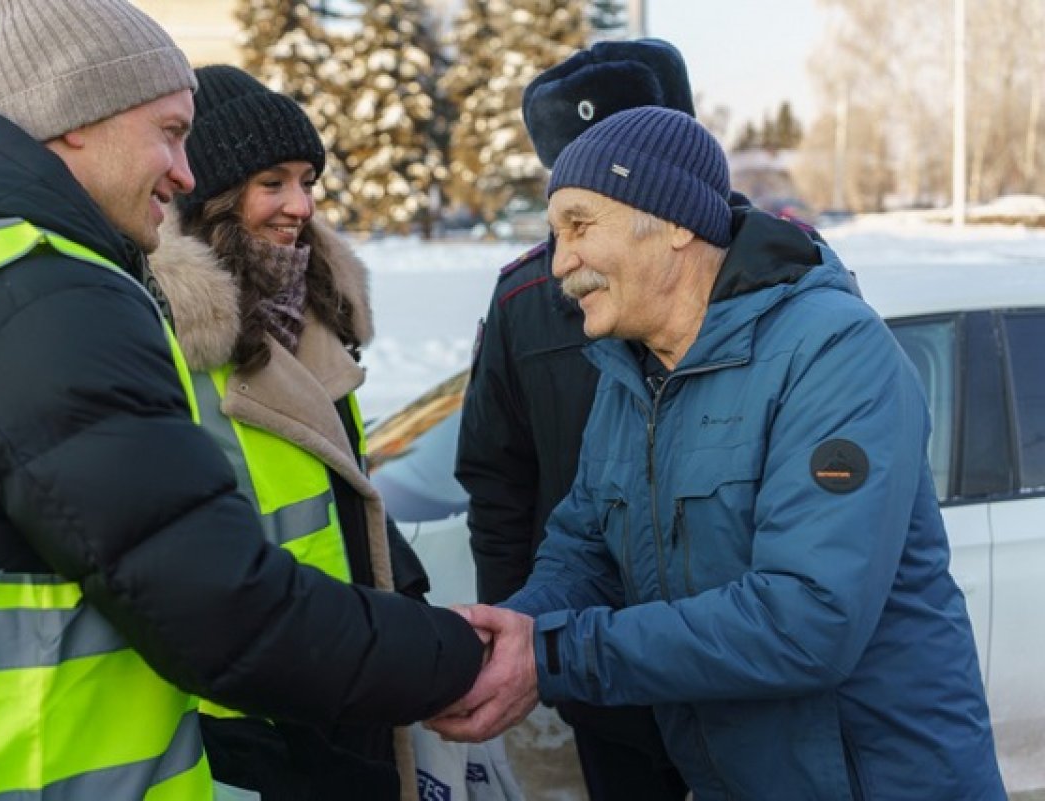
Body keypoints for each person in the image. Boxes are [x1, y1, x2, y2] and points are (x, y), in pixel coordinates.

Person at [0, 1, 482, 798]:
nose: (184, 173)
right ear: (78, 115)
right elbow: (218, 607)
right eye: (171, 132)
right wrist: (456, 655)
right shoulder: (35, 291)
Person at [431, 106, 1007, 800]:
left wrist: (553, 653)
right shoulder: (629, 375)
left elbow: (808, 619)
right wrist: (518, 629)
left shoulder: (832, 351)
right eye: (554, 234)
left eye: (580, 225)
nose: (561, 263)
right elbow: (586, 549)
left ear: (676, 222)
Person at [149, 64, 430, 801]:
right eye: (273, 182)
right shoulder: (167, 331)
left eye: (307, 181)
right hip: (246, 715)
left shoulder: (313, 313)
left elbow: (340, 487)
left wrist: (404, 598)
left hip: (348, 671)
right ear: (210, 188)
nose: (300, 206)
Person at [454, 39, 694, 800]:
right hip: (600, 687)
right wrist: (521, 639)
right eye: (571, 214)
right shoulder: (527, 299)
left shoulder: (782, 296)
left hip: (740, 682)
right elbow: (500, 482)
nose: (573, 256)